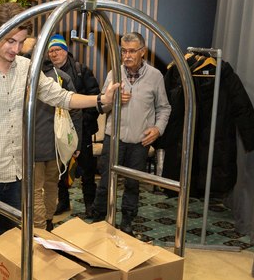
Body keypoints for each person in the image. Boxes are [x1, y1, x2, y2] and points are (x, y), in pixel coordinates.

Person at [0, 2, 120, 280]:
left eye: (21, 42)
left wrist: (100, 100)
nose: (15, 49)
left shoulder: (26, 69)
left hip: (18, 174)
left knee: (12, 242)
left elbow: (60, 96)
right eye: (10, 41)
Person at [89, 31, 171, 236]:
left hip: (139, 141)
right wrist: (112, 100)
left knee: (133, 184)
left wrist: (158, 129)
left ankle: (127, 221)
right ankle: (99, 219)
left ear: (142, 52)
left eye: (132, 51)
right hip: (114, 139)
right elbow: (101, 107)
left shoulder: (155, 76)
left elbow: (164, 108)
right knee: (105, 182)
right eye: (124, 51)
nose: (127, 56)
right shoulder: (114, 74)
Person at [45, 34, 101, 218]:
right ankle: (63, 202)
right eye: (51, 51)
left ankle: (89, 204)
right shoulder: (46, 73)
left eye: (57, 50)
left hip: (82, 130)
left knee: (87, 170)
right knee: (60, 169)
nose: (54, 54)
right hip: (57, 130)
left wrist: (84, 121)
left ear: (65, 51)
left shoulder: (80, 70)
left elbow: (95, 98)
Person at [32, 35, 81, 231]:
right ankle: (49, 221)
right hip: (57, 144)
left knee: (35, 188)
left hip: (33, 144)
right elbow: (75, 111)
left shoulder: (26, 77)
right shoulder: (62, 77)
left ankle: (38, 227)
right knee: (52, 184)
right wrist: (76, 142)